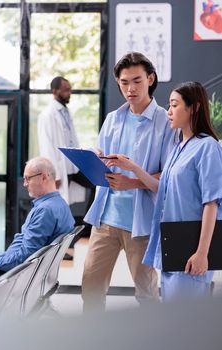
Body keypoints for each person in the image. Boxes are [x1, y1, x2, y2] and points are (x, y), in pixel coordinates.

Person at [81, 52, 175, 311]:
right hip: (105, 219)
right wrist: (95, 159)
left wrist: (132, 183)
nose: (130, 88)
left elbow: (166, 179)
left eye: (137, 81)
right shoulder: (113, 119)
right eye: (124, 82)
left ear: (150, 79)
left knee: (146, 295)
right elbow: (103, 163)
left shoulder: (166, 123)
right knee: (90, 288)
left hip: (141, 223)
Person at [137, 81, 222, 301]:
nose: (169, 111)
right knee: (173, 321)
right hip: (171, 245)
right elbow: (163, 189)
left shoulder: (207, 147)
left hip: (191, 247)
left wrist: (202, 253)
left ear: (193, 108)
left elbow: (212, 203)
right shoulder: (177, 147)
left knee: (186, 324)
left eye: (174, 105)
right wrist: (133, 168)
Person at [0, 156, 75, 285]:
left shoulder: (45, 210)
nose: (24, 184)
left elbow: (24, 258)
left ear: (44, 177)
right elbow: (23, 249)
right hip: (31, 273)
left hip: (18, 274)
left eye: (27, 178)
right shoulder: (60, 204)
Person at [37, 76, 92, 206]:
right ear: (55, 91)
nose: (69, 93)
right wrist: (53, 175)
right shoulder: (47, 115)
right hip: (61, 169)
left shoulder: (66, 112)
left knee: (96, 183)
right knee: (59, 204)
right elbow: (46, 147)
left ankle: (90, 223)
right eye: (66, 90)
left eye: (70, 89)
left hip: (73, 166)